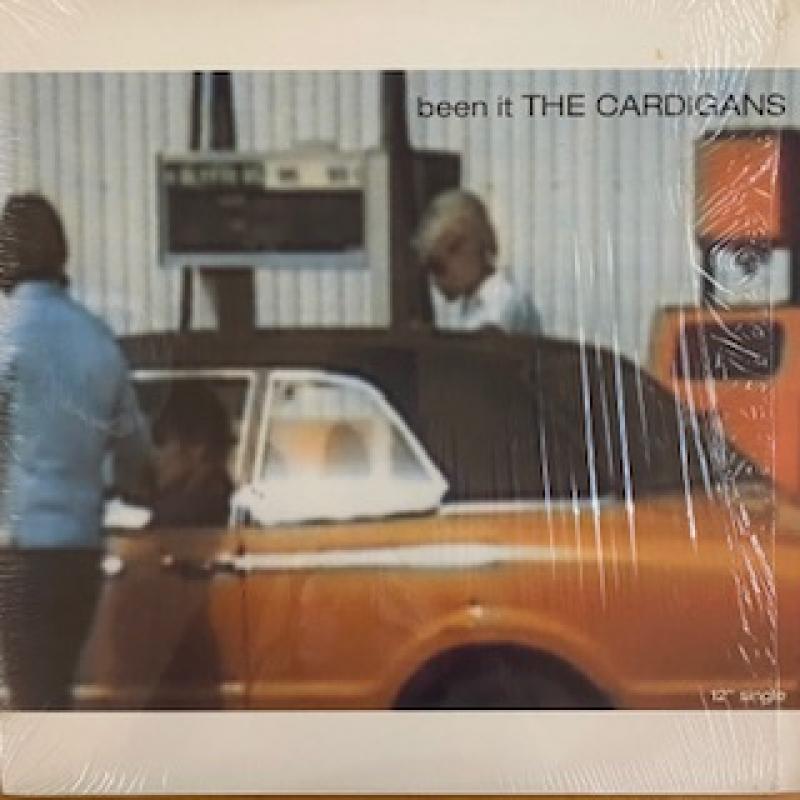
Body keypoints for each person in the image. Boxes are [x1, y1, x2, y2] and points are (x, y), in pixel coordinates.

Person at [0, 192, 153, 710]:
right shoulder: (99, 340)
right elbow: (135, 457)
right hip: (81, 550)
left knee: (29, 696)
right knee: (55, 689)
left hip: (17, 547)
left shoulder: (6, 337)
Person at [413, 189, 542, 334]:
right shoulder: (470, 306)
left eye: (438, 267)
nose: (435, 281)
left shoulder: (503, 300)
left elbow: (485, 343)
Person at [148, 383, 234, 528]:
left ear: (196, 446)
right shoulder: (219, 501)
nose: (154, 454)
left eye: (161, 441)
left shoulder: (182, 515)